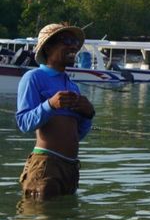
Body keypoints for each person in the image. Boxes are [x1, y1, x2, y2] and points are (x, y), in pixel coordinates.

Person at [15, 23, 96, 199]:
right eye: (66, 40)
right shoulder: (33, 77)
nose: (73, 46)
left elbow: (78, 135)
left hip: (71, 168)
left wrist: (88, 115)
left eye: (75, 42)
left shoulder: (72, 85)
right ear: (48, 47)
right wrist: (50, 105)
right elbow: (23, 123)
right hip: (46, 165)